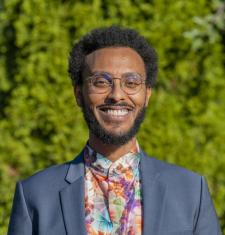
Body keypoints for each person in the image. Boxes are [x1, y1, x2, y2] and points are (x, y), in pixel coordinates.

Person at [8, 26, 221, 235]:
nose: (117, 95)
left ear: (147, 94)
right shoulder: (35, 195)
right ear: (79, 94)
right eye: (101, 82)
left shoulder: (191, 191)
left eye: (131, 82)